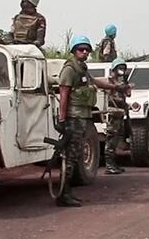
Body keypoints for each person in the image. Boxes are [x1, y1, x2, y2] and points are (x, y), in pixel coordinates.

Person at [56, 36, 130, 205]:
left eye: (87, 50)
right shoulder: (70, 69)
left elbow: (95, 82)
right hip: (73, 118)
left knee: (75, 156)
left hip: (82, 117)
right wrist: (62, 119)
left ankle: (66, 192)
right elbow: (64, 95)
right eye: (81, 49)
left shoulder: (81, 68)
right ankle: (63, 194)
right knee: (71, 156)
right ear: (74, 50)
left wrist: (116, 87)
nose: (84, 52)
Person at [104, 58, 131, 174]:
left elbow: (128, 94)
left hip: (119, 113)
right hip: (112, 113)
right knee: (111, 140)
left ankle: (113, 164)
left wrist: (126, 85)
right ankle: (109, 165)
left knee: (115, 140)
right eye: (119, 68)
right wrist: (122, 101)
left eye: (123, 68)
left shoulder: (120, 83)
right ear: (114, 69)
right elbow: (109, 98)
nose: (121, 71)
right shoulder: (109, 82)